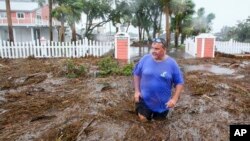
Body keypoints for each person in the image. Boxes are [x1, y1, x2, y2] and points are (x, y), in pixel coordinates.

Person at [133, 38, 184, 121]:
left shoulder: (172, 64)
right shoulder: (145, 59)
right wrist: (137, 91)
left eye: (156, 49)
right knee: (143, 119)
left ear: (164, 49)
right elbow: (136, 74)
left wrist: (174, 99)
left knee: (159, 125)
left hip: (163, 104)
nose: (153, 51)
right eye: (152, 48)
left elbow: (179, 83)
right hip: (145, 99)